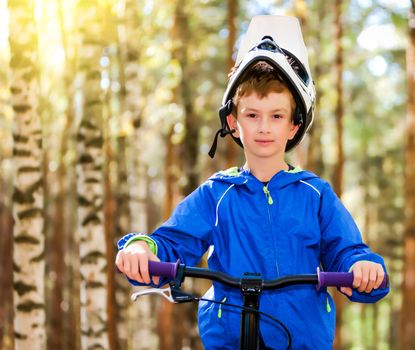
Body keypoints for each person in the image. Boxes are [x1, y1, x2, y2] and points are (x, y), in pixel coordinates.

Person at [116, 15, 389, 349]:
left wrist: (362, 267)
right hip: (230, 338)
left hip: (299, 339)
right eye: (252, 115)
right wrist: (142, 248)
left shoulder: (315, 195)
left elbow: (345, 250)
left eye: (276, 116)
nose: (264, 127)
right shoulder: (216, 193)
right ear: (233, 122)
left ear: (293, 126)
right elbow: (172, 241)